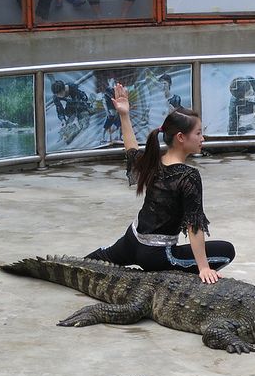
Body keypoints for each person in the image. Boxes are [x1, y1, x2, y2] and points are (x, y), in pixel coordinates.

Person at [86, 83, 235, 283]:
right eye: (198, 133)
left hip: (131, 240)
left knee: (87, 263)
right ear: (181, 137)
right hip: (156, 255)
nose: (203, 138)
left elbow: (131, 151)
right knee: (227, 251)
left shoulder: (153, 159)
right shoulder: (189, 175)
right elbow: (194, 225)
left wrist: (124, 115)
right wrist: (204, 268)